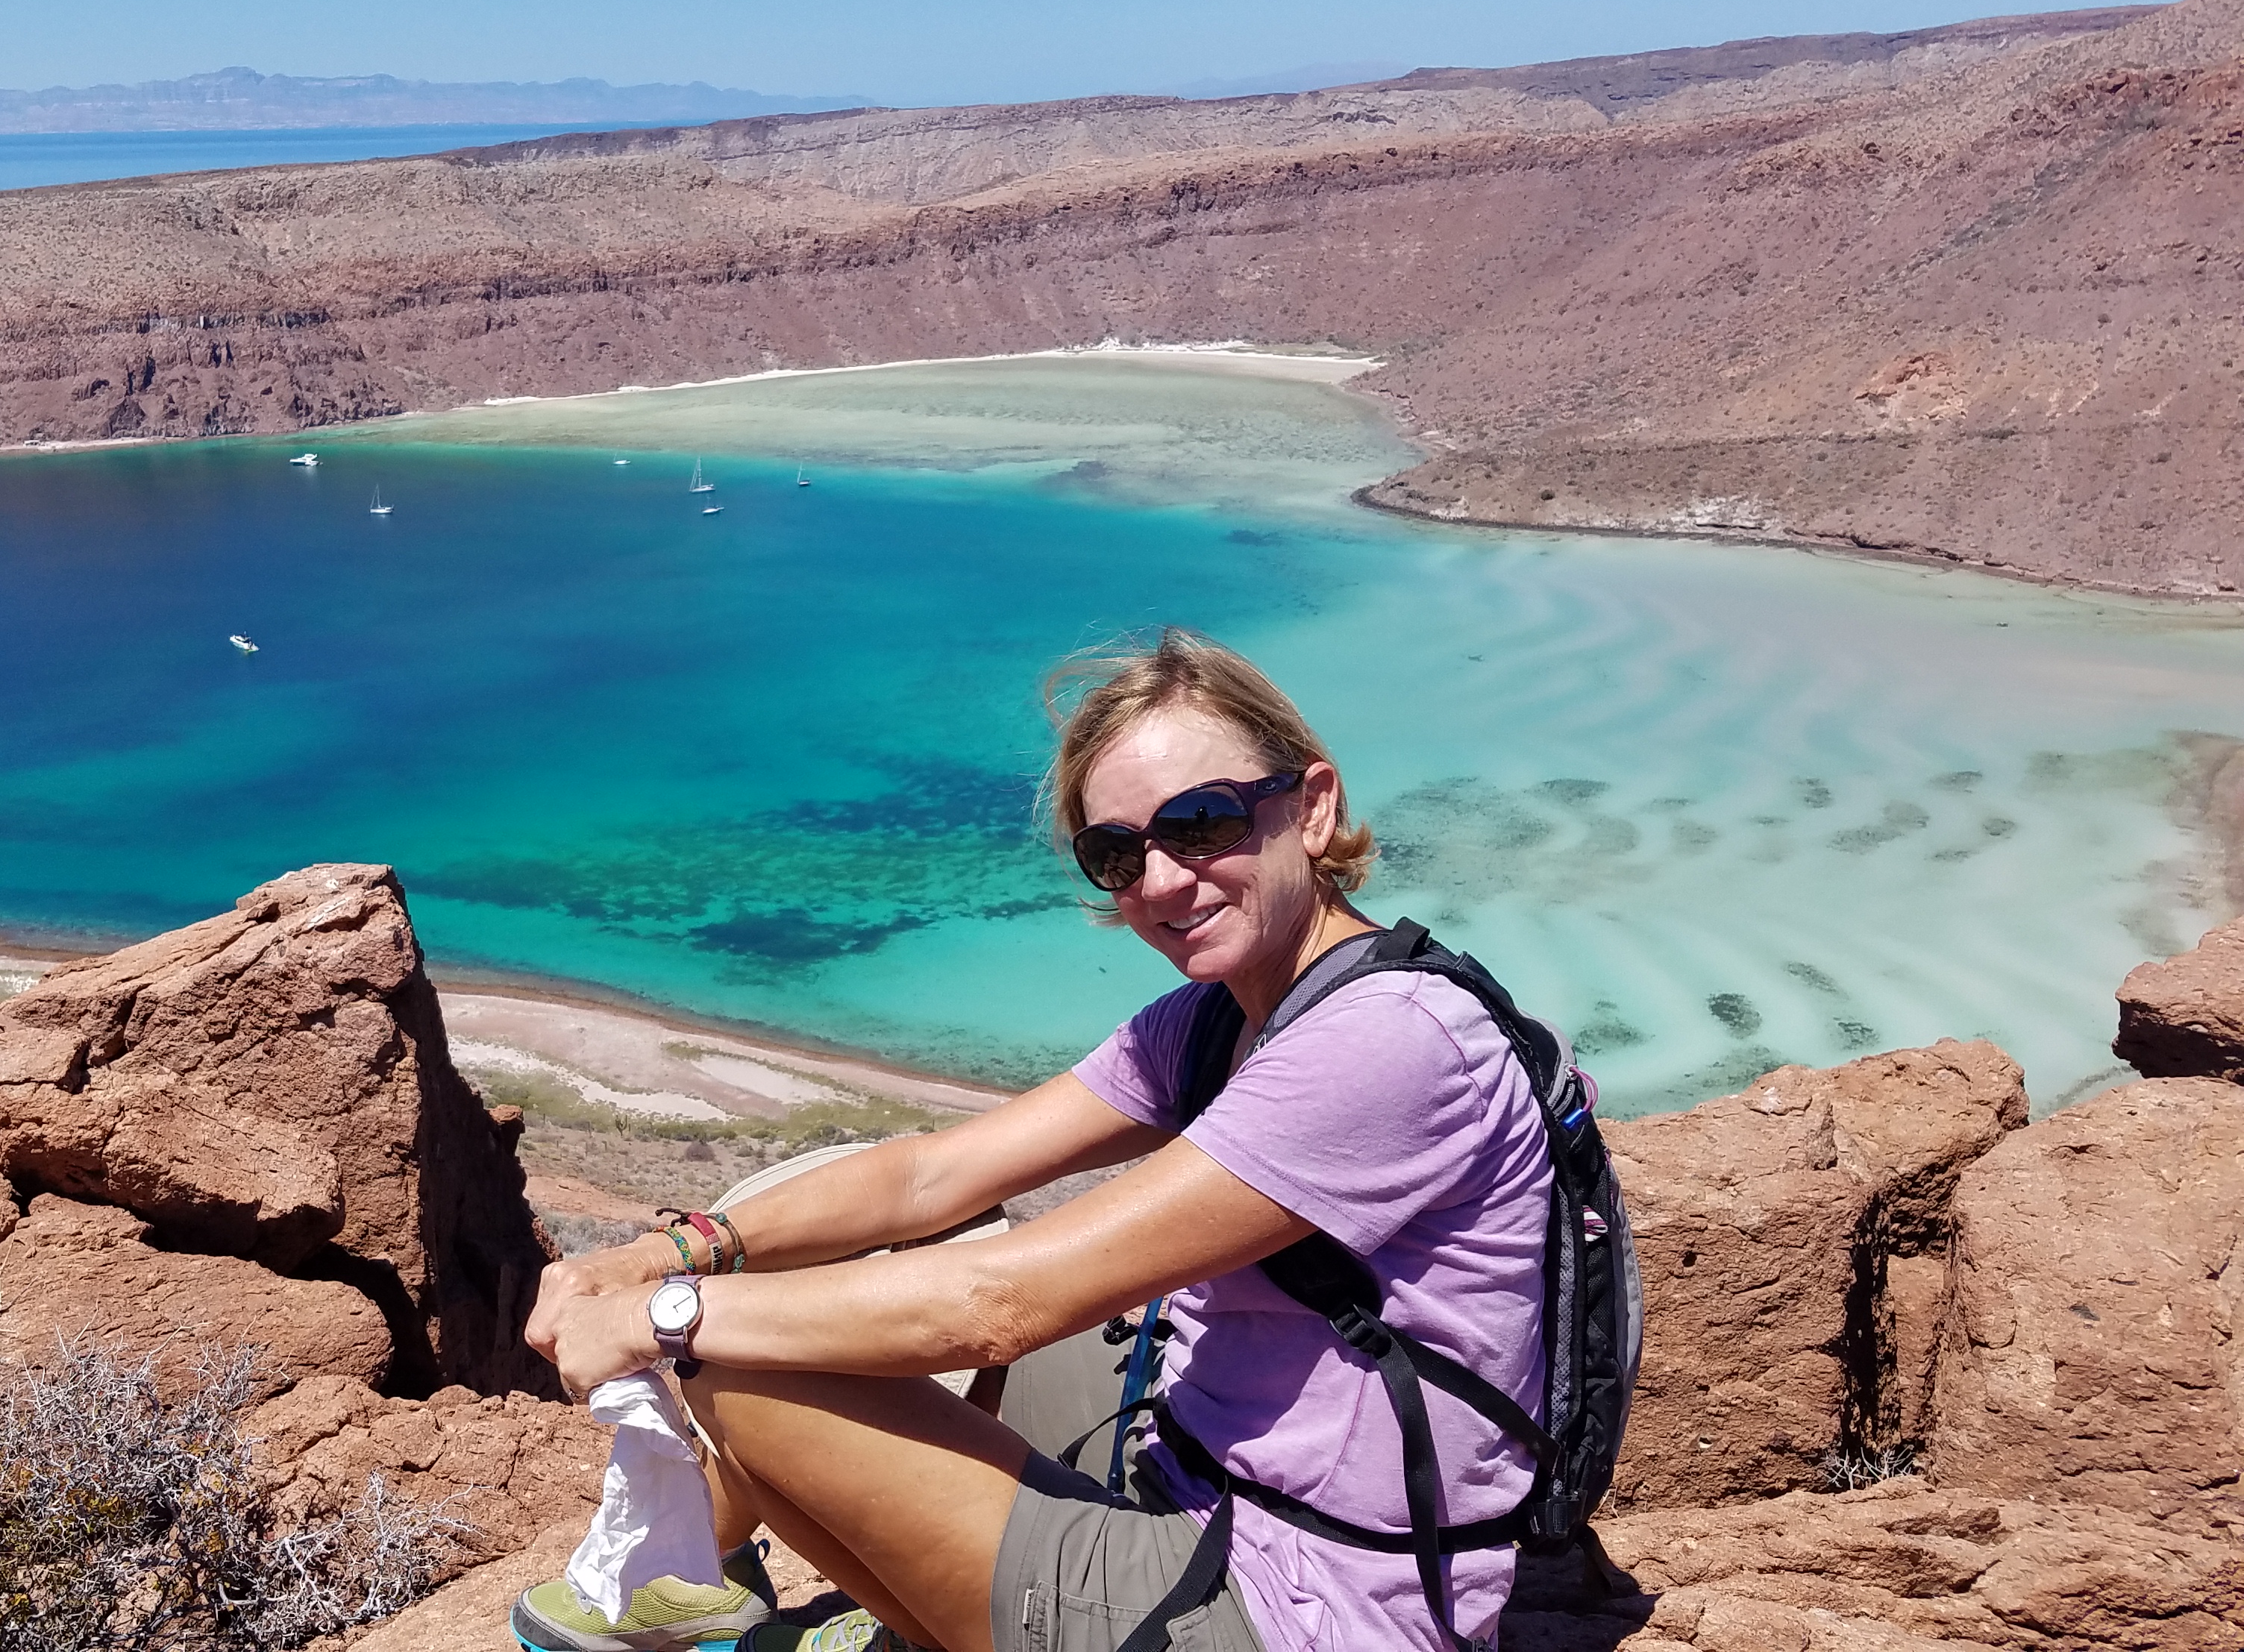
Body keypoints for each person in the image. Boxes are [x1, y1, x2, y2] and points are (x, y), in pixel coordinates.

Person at [515, 629, 1555, 1652]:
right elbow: (934, 1175)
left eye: (1203, 822)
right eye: (1118, 852)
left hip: (1297, 1608)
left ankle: (772, 1596)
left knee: (736, 1367)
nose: (1161, 880)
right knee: (816, 1278)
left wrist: (663, 1315)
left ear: (1313, 808)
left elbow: (1000, 1307)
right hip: (1208, 1497)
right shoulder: (1218, 1020)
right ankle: (708, 1580)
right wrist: (667, 1251)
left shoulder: (1383, 1043)